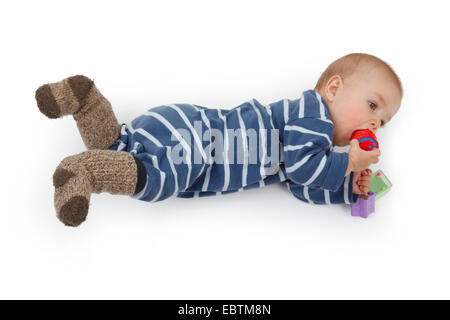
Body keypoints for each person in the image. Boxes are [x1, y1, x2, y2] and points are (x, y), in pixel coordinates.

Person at [35, 53, 402, 227]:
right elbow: (306, 169)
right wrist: (349, 163)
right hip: (201, 144)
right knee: (156, 180)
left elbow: (301, 185)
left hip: (184, 125)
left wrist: (346, 189)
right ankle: (86, 171)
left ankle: (86, 102)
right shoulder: (313, 117)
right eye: (372, 105)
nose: (374, 121)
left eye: (382, 121)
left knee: (119, 146)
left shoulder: (310, 141)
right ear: (334, 88)